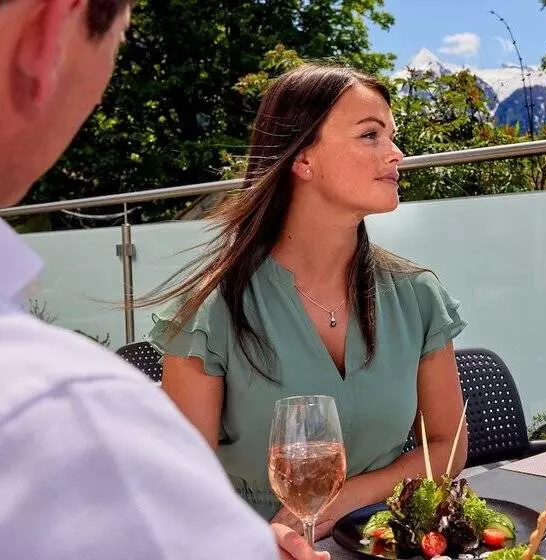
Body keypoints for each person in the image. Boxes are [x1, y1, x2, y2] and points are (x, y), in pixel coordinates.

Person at [0, 1, 322, 558]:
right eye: (118, 45)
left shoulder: (410, 294)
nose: (397, 154)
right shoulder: (76, 430)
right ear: (50, 30)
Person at [143, 63, 469, 537]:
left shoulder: (416, 295)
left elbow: (448, 444)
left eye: (392, 137)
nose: (396, 154)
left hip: (387, 543)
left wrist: (349, 497)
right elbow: (176, 487)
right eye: (370, 135)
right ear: (302, 160)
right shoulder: (211, 312)